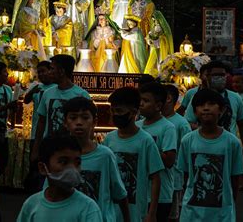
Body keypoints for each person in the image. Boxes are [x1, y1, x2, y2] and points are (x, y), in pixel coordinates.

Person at [178, 89, 243, 222]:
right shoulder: (188, 140)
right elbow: (187, 176)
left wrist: (230, 204)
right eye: (201, 105)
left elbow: (234, 178)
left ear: (222, 109)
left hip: (222, 213)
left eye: (211, 104)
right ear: (195, 111)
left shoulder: (232, 142)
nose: (206, 108)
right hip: (192, 212)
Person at [63, 97, 130, 222]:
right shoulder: (60, 156)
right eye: (73, 118)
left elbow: (120, 194)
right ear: (65, 123)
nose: (79, 122)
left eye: (85, 117)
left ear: (94, 122)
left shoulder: (105, 155)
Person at [103, 87, 163, 222]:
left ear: (133, 112)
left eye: (119, 111)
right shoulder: (109, 139)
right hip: (111, 212)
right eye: (112, 111)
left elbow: (155, 178)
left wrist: (152, 213)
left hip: (136, 212)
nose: (115, 115)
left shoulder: (145, 141)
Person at [17, 135, 102, 222]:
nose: (72, 169)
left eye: (77, 163)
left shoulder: (88, 208)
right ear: (43, 168)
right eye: (63, 162)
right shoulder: (31, 205)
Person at [31, 55, 90, 161]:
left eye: (52, 69)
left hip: (72, 149)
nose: (49, 72)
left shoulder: (81, 94)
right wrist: (36, 149)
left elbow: (89, 125)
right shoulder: (47, 93)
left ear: (62, 71)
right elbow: (41, 122)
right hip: (49, 148)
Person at [184, 61, 243, 150]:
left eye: (222, 75)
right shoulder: (198, 97)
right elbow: (188, 122)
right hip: (202, 147)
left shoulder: (235, 97)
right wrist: (207, 129)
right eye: (216, 75)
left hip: (229, 148)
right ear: (207, 77)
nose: (220, 78)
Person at [136, 82, 177, 221]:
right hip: (139, 193)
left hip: (161, 196)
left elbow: (169, 161)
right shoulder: (136, 126)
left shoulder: (167, 128)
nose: (141, 104)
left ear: (158, 106)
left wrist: (148, 145)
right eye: (139, 100)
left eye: (146, 101)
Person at [23, 61, 55, 192]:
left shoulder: (55, 88)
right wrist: (32, 91)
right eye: (39, 72)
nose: (41, 74)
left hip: (50, 134)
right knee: (35, 165)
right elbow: (26, 100)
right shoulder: (37, 87)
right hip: (35, 132)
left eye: (44, 71)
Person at [162, 84, 191, 221]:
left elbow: (187, 152)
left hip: (175, 177)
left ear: (168, 98)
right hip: (155, 178)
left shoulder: (181, 123)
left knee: (172, 215)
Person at [144, 10, 174, 76]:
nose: (154, 20)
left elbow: (165, 38)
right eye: (153, 19)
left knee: (160, 63)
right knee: (153, 64)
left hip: (161, 48)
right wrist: (149, 39)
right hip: (154, 49)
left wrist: (158, 39)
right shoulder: (153, 27)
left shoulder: (163, 28)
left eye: (155, 19)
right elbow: (149, 36)